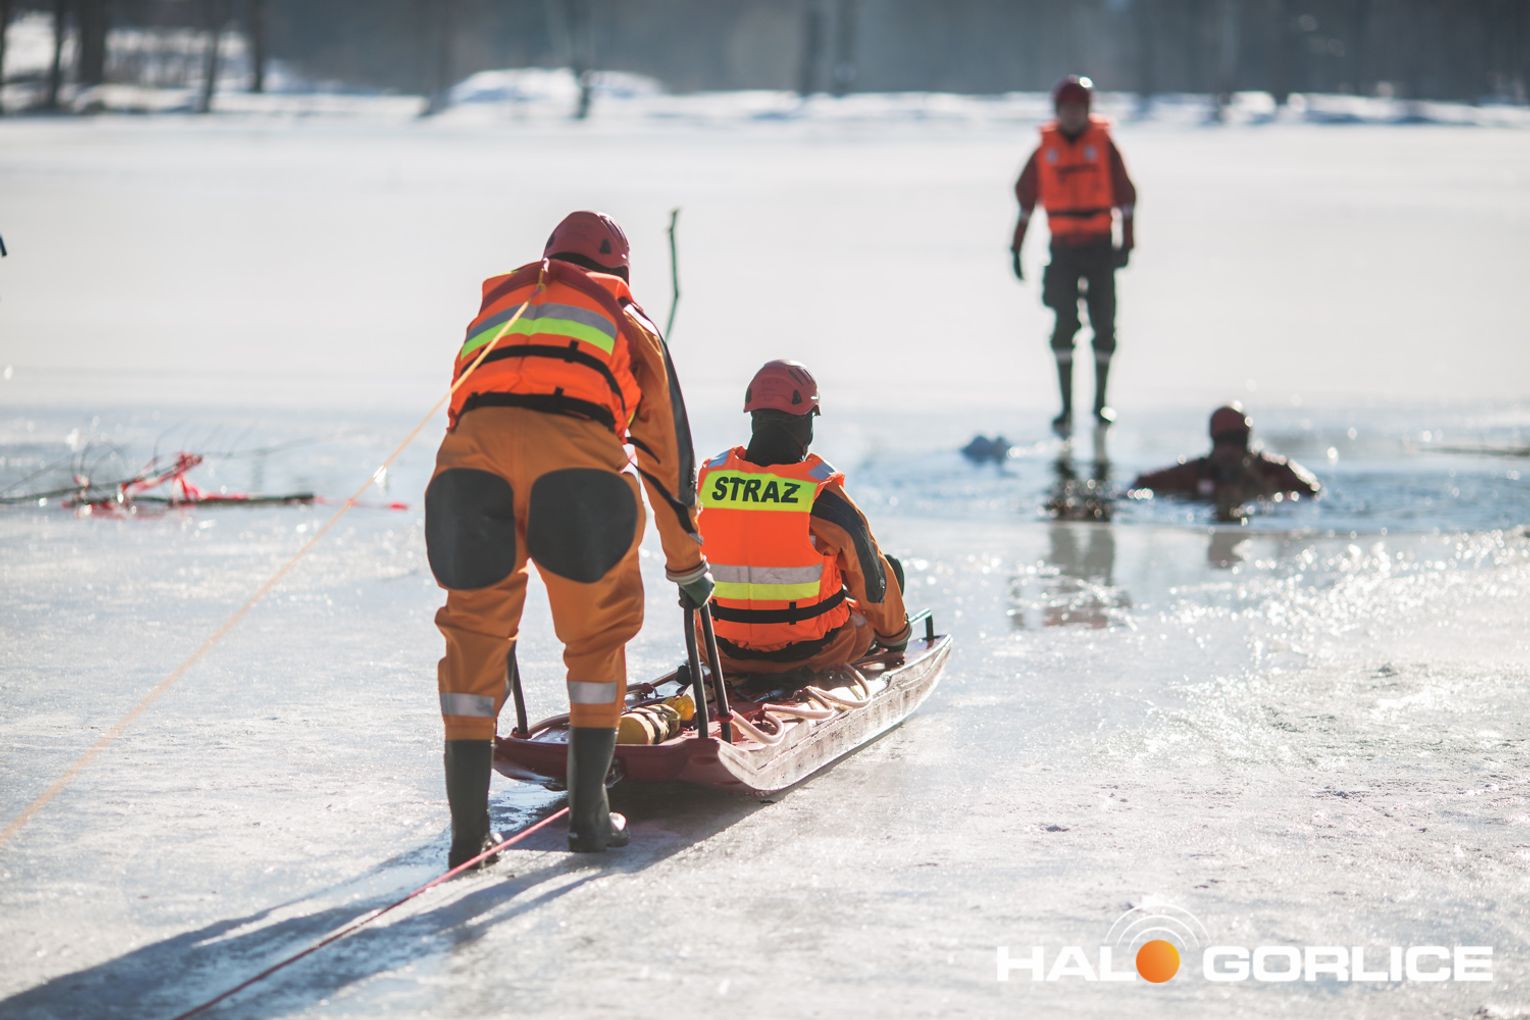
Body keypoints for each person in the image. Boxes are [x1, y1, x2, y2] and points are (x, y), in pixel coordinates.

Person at [424, 211, 715, 864]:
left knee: (473, 637)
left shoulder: (500, 306)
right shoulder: (626, 317)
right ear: (619, 271)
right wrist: (686, 563)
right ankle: (589, 817)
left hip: (469, 469)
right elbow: (665, 453)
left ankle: (469, 833)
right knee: (596, 637)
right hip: (576, 470)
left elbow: (466, 401)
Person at [695, 360, 911, 677]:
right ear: (805, 420)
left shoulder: (709, 484)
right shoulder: (821, 495)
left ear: (754, 417)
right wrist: (896, 638)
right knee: (886, 573)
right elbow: (871, 580)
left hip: (721, 652)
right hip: (814, 653)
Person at [1010, 75, 1138, 434]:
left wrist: (1127, 243)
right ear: (1057, 111)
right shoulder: (1045, 151)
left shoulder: (1104, 146)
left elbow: (1126, 197)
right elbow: (1025, 203)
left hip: (1100, 249)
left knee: (1104, 325)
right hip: (1063, 251)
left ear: (1087, 111)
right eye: (1066, 109)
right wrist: (1016, 248)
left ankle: (1100, 404)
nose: (1072, 116)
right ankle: (1065, 409)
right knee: (1064, 324)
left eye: (1078, 109)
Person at [1131, 404, 1322, 514]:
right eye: (1223, 441)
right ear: (1214, 442)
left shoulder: (1271, 471)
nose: (1230, 450)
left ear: (1247, 442)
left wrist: (1271, 493)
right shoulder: (1194, 473)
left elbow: (1312, 490)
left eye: (1236, 441)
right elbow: (1141, 484)